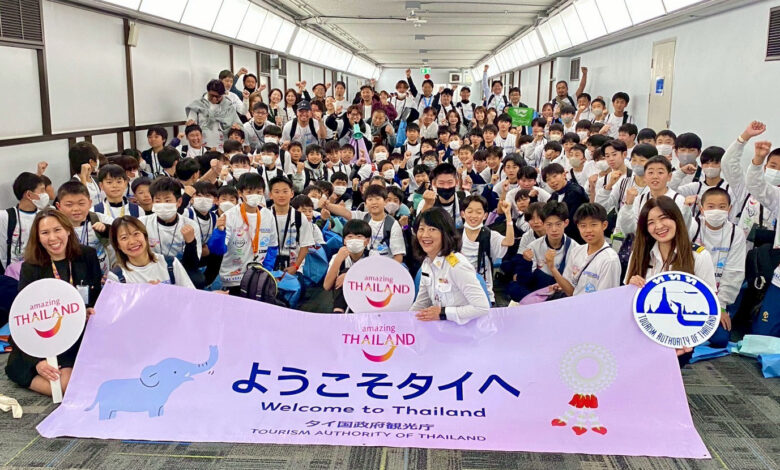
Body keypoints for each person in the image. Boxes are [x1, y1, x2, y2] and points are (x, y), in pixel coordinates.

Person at [5, 209, 101, 396]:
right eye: (45, 233)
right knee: (64, 387)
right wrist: (38, 362)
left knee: (78, 381)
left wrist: (90, 310)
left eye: (57, 230)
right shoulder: (31, 267)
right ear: (38, 237)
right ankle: (31, 372)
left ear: (67, 230)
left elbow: (96, 295)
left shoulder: (87, 255)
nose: (52, 238)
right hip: (44, 336)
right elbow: (23, 316)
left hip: (79, 333)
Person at [625, 196, 716, 363]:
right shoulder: (639, 254)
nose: (658, 226)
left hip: (679, 339)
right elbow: (624, 302)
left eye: (663, 218)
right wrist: (630, 288)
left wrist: (688, 340)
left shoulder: (698, 256)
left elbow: (708, 305)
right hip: (641, 334)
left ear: (676, 219)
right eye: (651, 222)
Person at [411, 207, 490, 324]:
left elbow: (482, 307)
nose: (425, 235)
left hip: (466, 331)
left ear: (445, 233)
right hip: (443, 329)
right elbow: (422, 302)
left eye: (432, 229)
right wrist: (405, 322)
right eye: (421, 229)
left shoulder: (457, 265)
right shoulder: (427, 263)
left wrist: (443, 313)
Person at [547, 203, 620, 296]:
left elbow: (605, 299)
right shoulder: (576, 251)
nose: (588, 230)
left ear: (604, 225)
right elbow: (570, 291)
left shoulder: (609, 260)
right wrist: (552, 268)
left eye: (593, 225)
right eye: (583, 226)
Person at [107, 216, 195, 288]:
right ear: (117, 245)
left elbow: (191, 295)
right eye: (124, 238)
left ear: (145, 236)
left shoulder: (170, 263)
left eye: (136, 234)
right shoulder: (116, 277)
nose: (132, 242)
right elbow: (117, 308)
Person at [460, 196, 514, 304]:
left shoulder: (489, 235)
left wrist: (508, 215)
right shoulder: (455, 235)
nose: (474, 216)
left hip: (484, 289)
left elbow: (509, 241)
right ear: (462, 213)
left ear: (485, 215)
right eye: (469, 212)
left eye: (479, 212)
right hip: (459, 289)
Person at [323, 219, 372, 313]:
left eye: (359, 237)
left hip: (366, 300)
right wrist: (338, 260)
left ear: (367, 241)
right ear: (344, 240)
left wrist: (350, 276)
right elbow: (327, 286)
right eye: (350, 236)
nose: (354, 240)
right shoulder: (338, 257)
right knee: (344, 270)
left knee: (347, 272)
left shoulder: (373, 256)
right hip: (344, 300)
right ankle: (338, 311)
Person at [1, 172, 48, 271]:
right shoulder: (6, 216)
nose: (45, 195)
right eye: (42, 191)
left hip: (39, 270)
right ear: (29, 194)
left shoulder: (44, 216)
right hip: (12, 274)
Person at [185, 79, 243, 152]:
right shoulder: (198, 106)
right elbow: (191, 124)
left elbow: (238, 124)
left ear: (223, 94)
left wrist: (237, 127)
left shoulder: (228, 106)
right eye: (212, 95)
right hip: (204, 146)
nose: (214, 99)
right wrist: (190, 123)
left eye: (218, 96)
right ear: (208, 92)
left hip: (223, 146)